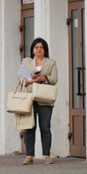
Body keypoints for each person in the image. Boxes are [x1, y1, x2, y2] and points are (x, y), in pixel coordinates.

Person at [18, 37, 57, 166]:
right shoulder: (26, 61)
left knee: (45, 127)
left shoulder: (51, 63)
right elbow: (20, 78)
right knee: (29, 127)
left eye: (41, 47)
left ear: (45, 50)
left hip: (44, 98)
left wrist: (43, 77)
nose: (39, 50)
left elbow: (54, 79)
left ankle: (47, 155)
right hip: (29, 98)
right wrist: (34, 80)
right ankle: (29, 155)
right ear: (33, 50)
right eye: (36, 47)